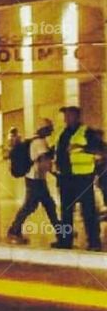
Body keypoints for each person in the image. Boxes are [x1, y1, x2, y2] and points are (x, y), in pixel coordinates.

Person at [53, 106, 102, 250]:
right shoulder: (62, 133)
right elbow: (58, 152)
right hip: (65, 178)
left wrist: (81, 147)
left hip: (83, 178)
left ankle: (94, 242)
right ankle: (64, 241)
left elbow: (101, 150)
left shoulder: (87, 132)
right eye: (65, 116)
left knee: (88, 211)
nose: (67, 119)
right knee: (65, 212)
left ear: (77, 116)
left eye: (69, 115)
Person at [6, 118, 57, 244]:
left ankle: (61, 231)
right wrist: (56, 174)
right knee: (33, 206)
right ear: (43, 129)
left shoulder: (36, 141)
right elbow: (43, 161)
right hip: (35, 179)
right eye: (49, 128)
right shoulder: (39, 142)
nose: (51, 131)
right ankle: (13, 230)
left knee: (46, 205)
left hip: (36, 178)